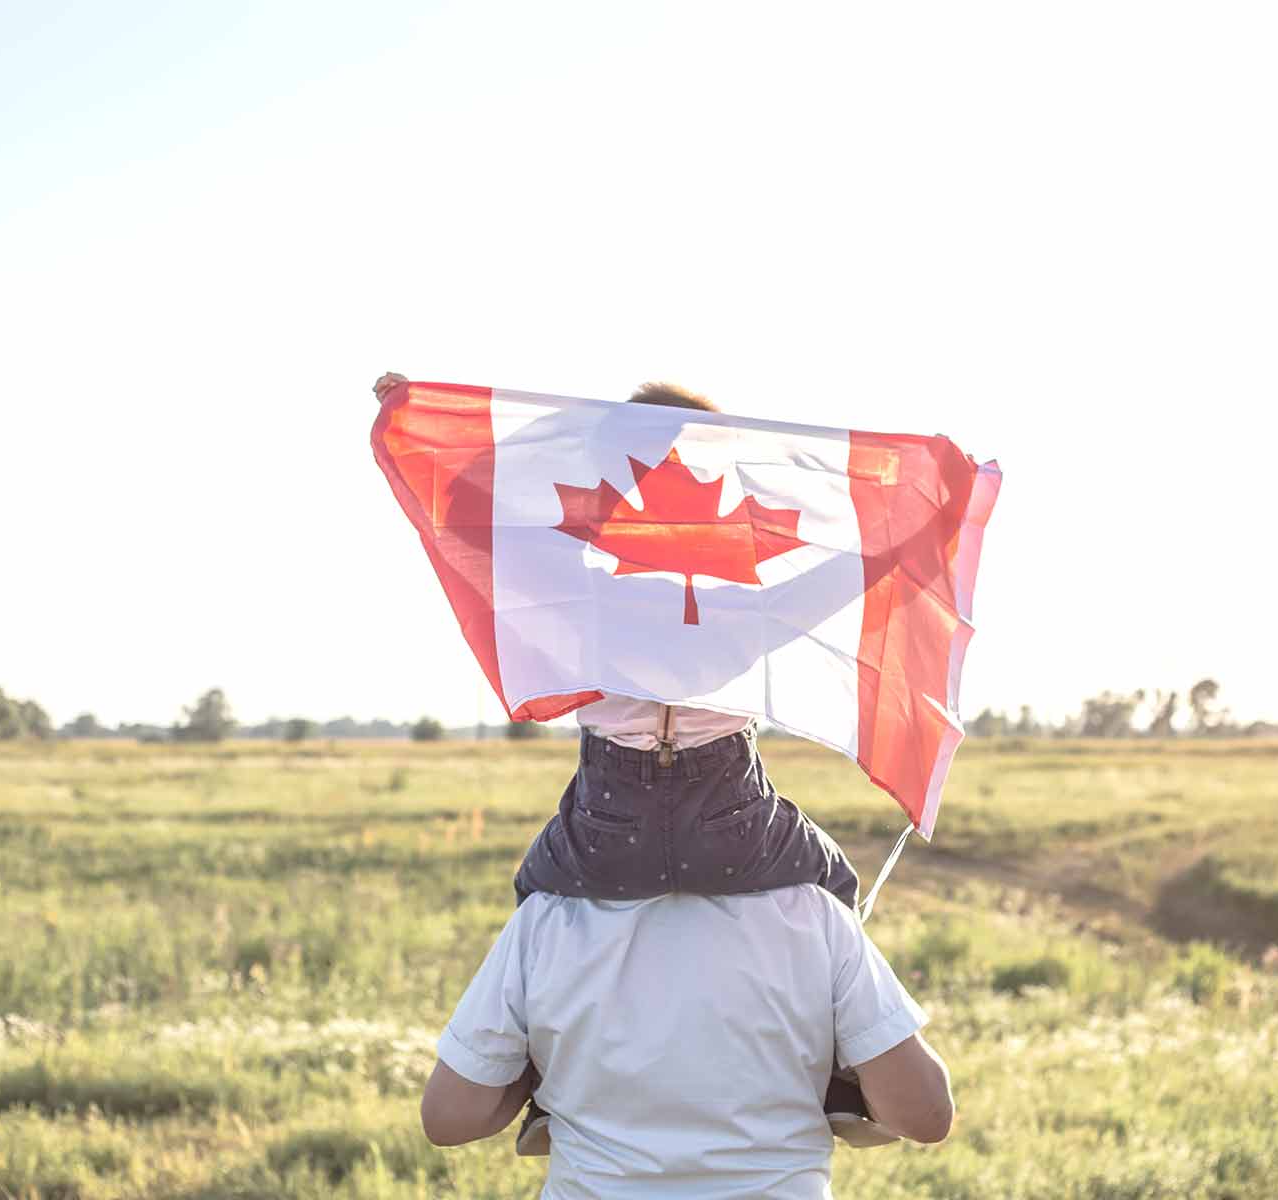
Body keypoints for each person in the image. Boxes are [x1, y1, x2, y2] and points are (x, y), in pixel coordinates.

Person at [373, 372, 878, 1145]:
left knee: (535, 889)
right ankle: (845, 1080)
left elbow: (469, 518)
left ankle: (539, 1089)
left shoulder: (581, 596)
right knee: (833, 881)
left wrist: (411, 416)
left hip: (609, 833)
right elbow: (850, 574)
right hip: (736, 828)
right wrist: (933, 514)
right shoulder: (747, 602)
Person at [421, 883, 953, 1197]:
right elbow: (927, 1116)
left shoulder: (547, 918)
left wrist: (532, 1072)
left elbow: (449, 1117)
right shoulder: (814, 913)